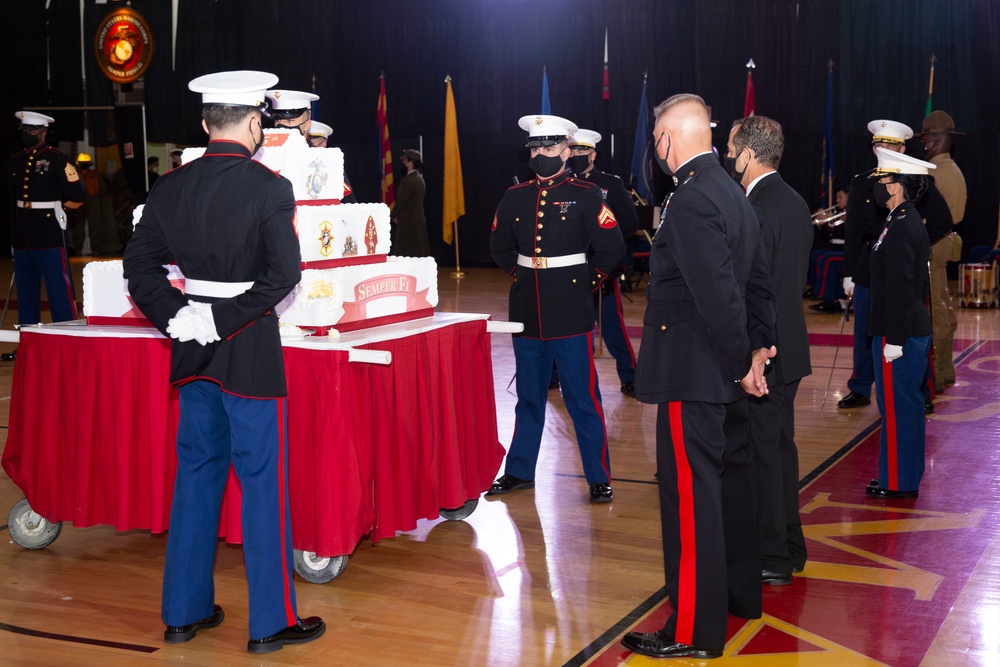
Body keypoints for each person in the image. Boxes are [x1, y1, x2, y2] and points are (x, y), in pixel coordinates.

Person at [122, 70, 325, 654]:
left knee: (196, 475)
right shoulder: (268, 187)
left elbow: (140, 268)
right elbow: (284, 276)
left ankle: (182, 613)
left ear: (205, 123)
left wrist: (178, 316)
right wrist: (223, 319)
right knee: (263, 481)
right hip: (249, 346)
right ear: (256, 123)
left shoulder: (170, 187)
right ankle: (270, 623)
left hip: (191, 344)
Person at [622, 94, 776, 660]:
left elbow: (716, 299)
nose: (655, 152)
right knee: (731, 491)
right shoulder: (734, 195)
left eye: (656, 140)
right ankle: (737, 598)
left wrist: (741, 364)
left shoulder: (689, 201)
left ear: (668, 140)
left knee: (691, 502)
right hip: (727, 372)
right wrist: (758, 354)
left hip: (697, 372)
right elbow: (758, 286)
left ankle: (690, 630)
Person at [487, 114, 625, 504]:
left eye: (548, 148)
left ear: (567, 151)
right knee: (529, 396)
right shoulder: (515, 196)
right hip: (527, 309)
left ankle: (599, 476)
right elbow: (498, 246)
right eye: (535, 149)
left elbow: (612, 248)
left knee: (582, 398)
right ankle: (518, 471)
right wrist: (526, 274)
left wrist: (583, 283)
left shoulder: (586, 194)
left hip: (570, 309)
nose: (541, 155)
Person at [727, 116, 812, 585]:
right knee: (779, 451)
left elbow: (750, 289)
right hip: (789, 346)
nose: (727, 156)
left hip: (767, 349)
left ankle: (772, 557)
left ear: (749, 155)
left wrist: (749, 351)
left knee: (762, 455)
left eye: (731, 148)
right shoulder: (793, 199)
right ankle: (791, 546)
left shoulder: (755, 206)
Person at [864, 148, 934, 499]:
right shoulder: (899, 220)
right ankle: (894, 475)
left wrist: (895, 338)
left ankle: (901, 481)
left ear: (895, 187)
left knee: (900, 407)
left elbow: (904, 288)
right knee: (895, 407)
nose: (877, 185)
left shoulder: (904, 225)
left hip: (900, 333)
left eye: (882, 180)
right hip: (897, 329)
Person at [838, 120, 910, 410]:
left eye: (889, 145)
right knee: (864, 330)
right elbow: (853, 230)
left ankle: (913, 386)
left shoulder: (913, 179)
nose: (882, 150)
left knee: (905, 328)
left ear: (902, 148)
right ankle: (860, 386)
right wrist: (849, 273)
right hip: (869, 265)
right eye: (878, 145)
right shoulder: (862, 182)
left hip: (901, 265)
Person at [4, 110, 87, 361]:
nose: (28, 136)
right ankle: (28, 345)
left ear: (42, 132)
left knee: (57, 290)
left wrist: (62, 210)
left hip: (49, 232)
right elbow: (11, 201)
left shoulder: (58, 159)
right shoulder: (15, 160)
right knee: (26, 292)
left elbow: (79, 195)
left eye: (32, 131)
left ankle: (67, 343)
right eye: (24, 132)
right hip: (24, 234)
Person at [568, 128, 640, 396]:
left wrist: (606, 247)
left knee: (611, 324)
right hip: (570, 267)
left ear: (593, 154)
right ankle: (555, 374)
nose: (576, 155)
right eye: (573, 151)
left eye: (581, 151)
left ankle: (630, 375)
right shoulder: (563, 184)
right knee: (564, 322)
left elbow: (631, 223)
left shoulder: (609, 184)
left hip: (601, 267)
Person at [920, 110, 965, 390]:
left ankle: (936, 373)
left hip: (934, 244)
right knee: (944, 306)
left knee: (934, 311)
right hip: (948, 242)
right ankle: (946, 369)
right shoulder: (953, 170)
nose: (923, 142)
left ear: (937, 140)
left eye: (926, 137)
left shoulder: (933, 172)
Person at [265, 89, 358, 203]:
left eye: (290, 121)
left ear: (307, 125)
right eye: (278, 121)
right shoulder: (263, 156)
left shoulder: (323, 160)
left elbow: (347, 205)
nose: (282, 126)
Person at [806, 186, 848, 312]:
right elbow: (830, 236)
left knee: (826, 260)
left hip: (846, 251)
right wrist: (822, 224)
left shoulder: (851, 214)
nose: (837, 201)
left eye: (840, 197)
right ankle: (817, 289)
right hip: (835, 248)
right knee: (814, 256)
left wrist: (825, 222)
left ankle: (828, 299)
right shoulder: (840, 215)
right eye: (837, 197)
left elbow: (842, 233)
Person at [67, 152, 115, 256]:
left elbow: (103, 188)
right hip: (80, 203)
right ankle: (78, 250)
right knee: (78, 229)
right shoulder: (74, 175)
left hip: (92, 202)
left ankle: (94, 250)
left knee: (95, 227)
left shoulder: (94, 175)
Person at [391, 148, 430, 256]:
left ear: (410, 163)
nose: (403, 164)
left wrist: (393, 215)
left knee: (405, 255)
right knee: (419, 254)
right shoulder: (420, 180)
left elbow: (400, 203)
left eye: (405, 161)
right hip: (418, 222)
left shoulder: (408, 181)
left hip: (407, 224)